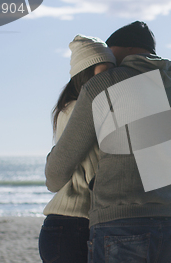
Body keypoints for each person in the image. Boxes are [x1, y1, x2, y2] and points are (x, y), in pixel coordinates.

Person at [44, 21, 171, 263]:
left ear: (122, 48)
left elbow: (55, 174)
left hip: (120, 223)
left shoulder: (105, 84)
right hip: (170, 224)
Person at [39, 35, 116, 263]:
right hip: (73, 225)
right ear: (88, 73)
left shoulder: (69, 109)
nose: (112, 77)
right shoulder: (82, 111)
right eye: (105, 70)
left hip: (68, 225)